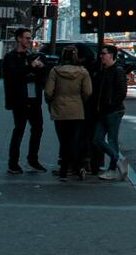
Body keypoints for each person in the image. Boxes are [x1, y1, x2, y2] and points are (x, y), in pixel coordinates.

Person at [0, 28, 47, 173]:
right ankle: (13, 162)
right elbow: (13, 76)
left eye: (29, 38)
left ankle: (32, 159)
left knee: (37, 129)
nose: (29, 41)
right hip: (20, 100)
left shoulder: (31, 56)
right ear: (19, 39)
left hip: (33, 98)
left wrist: (40, 68)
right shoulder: (11, 57)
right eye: (26, 38)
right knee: (19, 130)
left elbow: (40, 77)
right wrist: (30, 68)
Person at [46, 46, 92, 181]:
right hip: (76, 108)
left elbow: (48, 91)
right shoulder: (83, 72)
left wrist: (51, 101)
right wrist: (80, 99)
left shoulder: (55, 71)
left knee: (63, 140)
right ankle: (76, 168)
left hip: (59, 108)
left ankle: (65, 171)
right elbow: (88, 91)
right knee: (73, 140)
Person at [92, 45, 128, 180]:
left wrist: (111, 105)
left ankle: (112, 169)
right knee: (98, 139)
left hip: (113, 111)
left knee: (112, 139)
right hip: (103, 111)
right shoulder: (104, 70)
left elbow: (122, 92)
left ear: (111, 55)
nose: (101, 56)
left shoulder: (117, 70)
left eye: (104, 53)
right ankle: (118, 160)